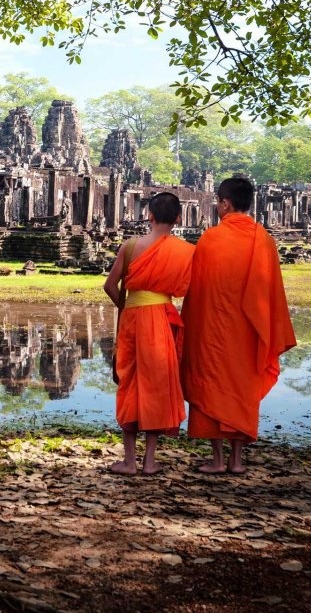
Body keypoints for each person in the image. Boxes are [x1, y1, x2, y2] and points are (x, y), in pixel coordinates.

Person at [180, 177, 296, 474]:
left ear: (225, 203)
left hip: (213, 331)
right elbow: (271, 293)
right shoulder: (264, 240)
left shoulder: (211, 239)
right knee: (241, 388)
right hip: (248, 332)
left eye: (218, 202)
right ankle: (236, 460)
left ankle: (217, 460)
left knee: (211, 386)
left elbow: (198, 291)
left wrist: (190, 326)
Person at [102, 192, 195, 475]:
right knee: (156, 385)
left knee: (129, 382)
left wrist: (129, 305)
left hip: (133, 319)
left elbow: (110, 285)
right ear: (179, 218)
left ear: (149, 215)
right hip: (161, 320)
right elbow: (187, 289)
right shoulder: (186, 251)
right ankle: (150, 461)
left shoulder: (130, 247)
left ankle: (129, 461)